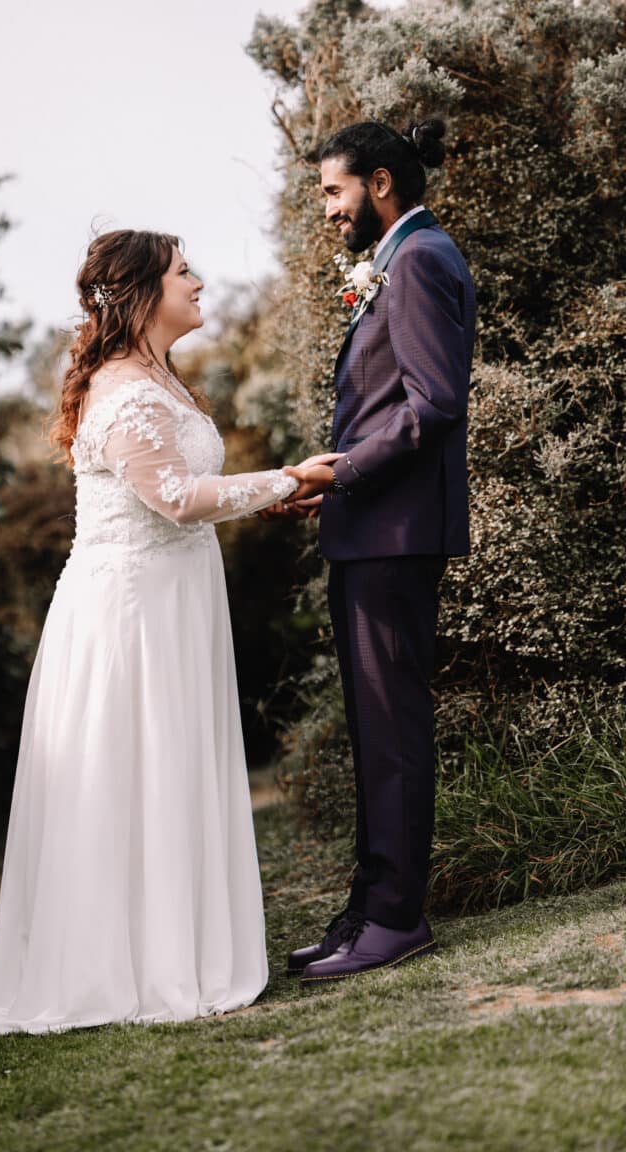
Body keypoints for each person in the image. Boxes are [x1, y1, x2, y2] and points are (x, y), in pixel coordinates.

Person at [0, 229, 305, 1038]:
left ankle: (175, 949)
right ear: (140, 294)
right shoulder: (125, 389)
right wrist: (287, 477)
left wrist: (266, 500)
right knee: (137, 770)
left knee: (168, 767)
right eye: (183, 272)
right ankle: (129, 966)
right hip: (130, 614)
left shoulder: (158, 377)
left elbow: (180, 484)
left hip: (173, 598)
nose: (200, 283)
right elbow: (174, 497)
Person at [284, 119, 476, 983]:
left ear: (383, 183)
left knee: (391, 726)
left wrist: (343, 471)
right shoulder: (398, 259)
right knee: (374, 726)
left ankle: (397, 918)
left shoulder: (423, 258)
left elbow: (433, 404)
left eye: (335, 191)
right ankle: (368, 906)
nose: (328, 210)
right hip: (370, 530)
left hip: (395, 531)